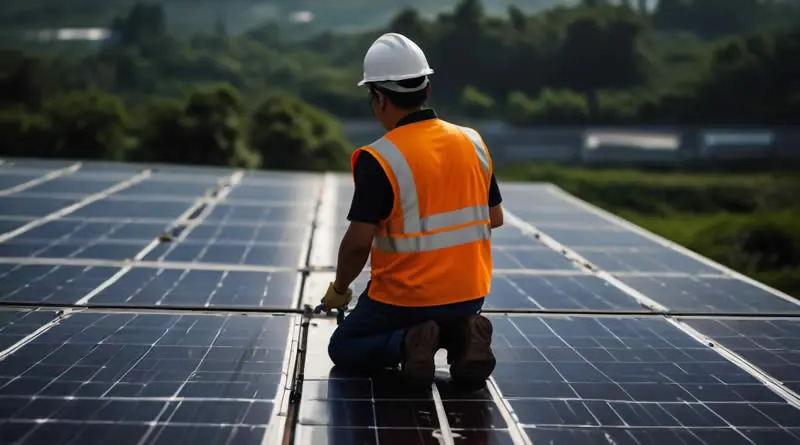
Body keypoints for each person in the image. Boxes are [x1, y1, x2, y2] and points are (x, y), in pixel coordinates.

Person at [318, 32, 504, 389]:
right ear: (426, 89)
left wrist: (340, 288)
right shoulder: (473, 142)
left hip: (404, 299)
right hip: (469, 295)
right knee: (442, 319)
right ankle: (463, 336)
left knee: (345, 345)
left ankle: (406, 343)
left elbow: (358, 244)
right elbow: (494, 217)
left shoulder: (380, 157)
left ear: (379, 97)